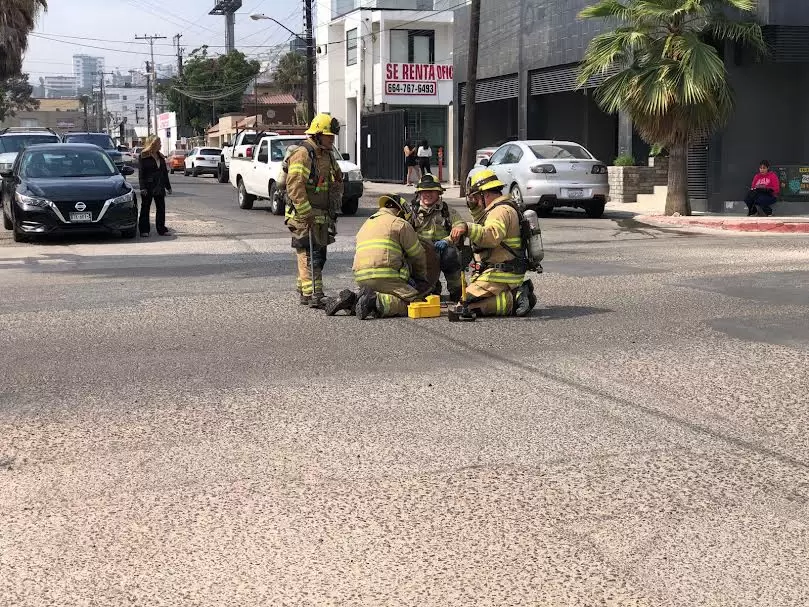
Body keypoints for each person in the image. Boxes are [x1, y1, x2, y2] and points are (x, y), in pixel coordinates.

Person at [323, 194, 431, 320]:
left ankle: (352, 300)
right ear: (401, 212)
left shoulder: (366, 224)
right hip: (386, 277)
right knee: (414, 303)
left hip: (361, 278)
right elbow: (418, 256)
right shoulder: (400, 223)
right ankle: (375, 301)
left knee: (366, 299)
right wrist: (420, 278)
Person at [449, 169, 536, 317]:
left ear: (486, 194)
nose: (475, 201)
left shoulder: (500, 211)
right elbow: (482, 223)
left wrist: (467, 227)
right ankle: (517, 292)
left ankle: (514, 298)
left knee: (464, 306)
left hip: (500, 274)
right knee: (465, 303)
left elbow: (491, 236)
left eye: (477, 197)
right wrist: (474, 208)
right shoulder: (498, 209)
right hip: (498, 272)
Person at [284, 113, 344, 307]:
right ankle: (313, 295)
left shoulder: (326, 154)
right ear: (317, 134)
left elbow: (334, 180)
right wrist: (306, 212)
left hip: (322, 214)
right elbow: (294, 186)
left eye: (333, 137)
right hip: (304, 214)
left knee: (319, 254)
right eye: (329, 136)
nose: (331, 139)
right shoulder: (303, 154)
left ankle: (305, 291)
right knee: (309, 254)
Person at [411, 173, 465, 302]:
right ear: (419, 193)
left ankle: (456, 290)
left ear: (439, 193)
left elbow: (460, 224)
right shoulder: (412, 211)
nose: (427, 194)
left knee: (451, 255)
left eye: (431, 191)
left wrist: (448, 239)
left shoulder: (446, 210)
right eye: (424, 192)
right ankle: (431, 287)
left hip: (443, 249)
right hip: (421, 251)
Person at [138, 136, 172, 237]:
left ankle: (161, 229)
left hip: (159, 186)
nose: (161, 145)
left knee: (161, 208)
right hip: (148, 186)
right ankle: (144, 230)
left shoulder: (161, 157)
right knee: (145, 208)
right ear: (153, 144)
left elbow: (164, 173)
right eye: (159, 143)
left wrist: (168, 187)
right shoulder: (143, 156)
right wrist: (142, 187)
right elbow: (141, 173)